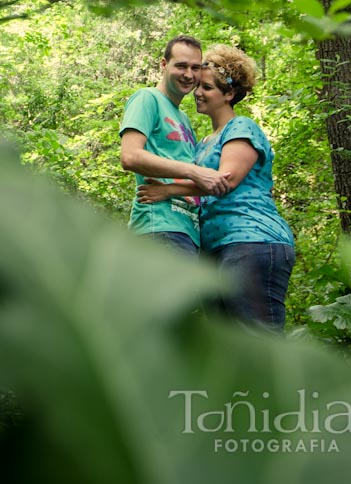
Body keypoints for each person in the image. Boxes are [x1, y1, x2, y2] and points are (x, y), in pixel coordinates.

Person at [137, 44, 295, 330]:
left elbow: (225, 180)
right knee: (229, 350)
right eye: (199, 86)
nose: (198, 92)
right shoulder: (203, 143)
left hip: (251, 241)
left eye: (207, 87)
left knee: (258, 344)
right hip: (216, 251)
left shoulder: (242, 128)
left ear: (229, 94)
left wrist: (169, 190)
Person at [119, 34, 230, 255]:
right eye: (181, 66)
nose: (188, 74)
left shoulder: (183, 119)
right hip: (159, 227)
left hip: (186, 232)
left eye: (195, 68)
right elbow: (130, 156)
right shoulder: (147, 99)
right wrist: (194, 171)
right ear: (164, 64)